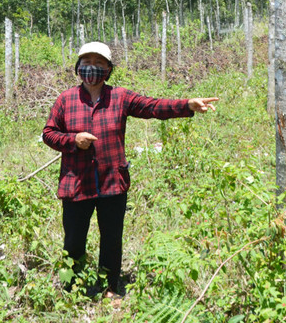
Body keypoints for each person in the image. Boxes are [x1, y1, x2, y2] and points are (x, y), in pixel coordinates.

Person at [42, 41, 218, 298]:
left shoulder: (120, 97)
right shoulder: (66, 99)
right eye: (87, 62)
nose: (92, 67)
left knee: (112, 240)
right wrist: (73, 140)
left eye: (99, 63)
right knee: (74, 240)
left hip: (112, 183)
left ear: (108, 69)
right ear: (78, 68)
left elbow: (153, 106)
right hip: (76, 183)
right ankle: (72, 289)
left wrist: (186, 105)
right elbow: (49, 133)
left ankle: (109, 288)